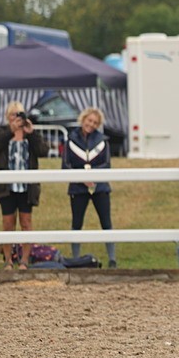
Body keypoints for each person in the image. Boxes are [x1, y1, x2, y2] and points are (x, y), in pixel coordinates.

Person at [0, 101, 49, 269]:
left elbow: (43, 151)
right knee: (8, 224)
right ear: (8, 117)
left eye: (20, 114)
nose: (17, 118)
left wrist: (32, 133)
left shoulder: (30, 134)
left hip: (26, 187)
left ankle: (24, 261)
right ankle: (8, 260)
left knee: (26, 223)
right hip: (6, 187)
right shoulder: (1, 131)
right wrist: (10, 131)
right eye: (13, 115)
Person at [63, 106, 117, 268]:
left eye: (95, 122)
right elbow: (66, 166)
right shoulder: (71, 140)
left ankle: (112, 259)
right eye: (89, 120)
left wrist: (93, 176)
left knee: (106, 222)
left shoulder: (102, 141)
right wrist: (82, 178)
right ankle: (76, 259)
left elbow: (107, 164)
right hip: (78, 188)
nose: (91, 124)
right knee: (77, 223)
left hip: (100, 187)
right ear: (83, 119)